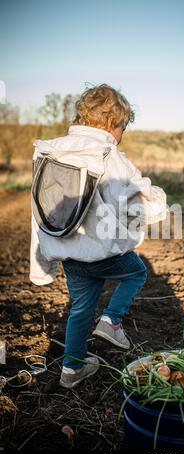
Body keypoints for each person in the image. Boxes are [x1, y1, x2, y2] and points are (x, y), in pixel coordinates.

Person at [29, 84, 167, 388]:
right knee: (137, 272)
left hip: (69, 253)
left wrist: (41, 266)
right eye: (122, 128)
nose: (121, 135)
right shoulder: (108, 157)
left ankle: (72, 368)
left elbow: (39, 212)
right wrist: (158, 199)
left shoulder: (51, 152)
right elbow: (138, 205)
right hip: (103, 252)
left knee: (80, 310)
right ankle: (112, 321)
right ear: (112, 124)